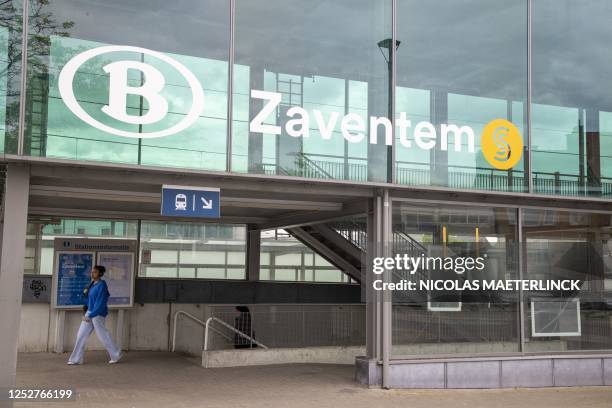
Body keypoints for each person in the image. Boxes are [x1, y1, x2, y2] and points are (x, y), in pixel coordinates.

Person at [67, 265, 122, 365]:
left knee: (103, 336)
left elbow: (100, 303)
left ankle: (116, 354)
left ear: (100, 274)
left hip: (98, 314)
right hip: (90, 312)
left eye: (95, 272)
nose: (92, 273)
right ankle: (76, 359)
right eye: (92, 272)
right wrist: (86, 308)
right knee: (80, 335)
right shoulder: (92, 284)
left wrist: (90, 315)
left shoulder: (102, 285)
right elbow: (90, 299)